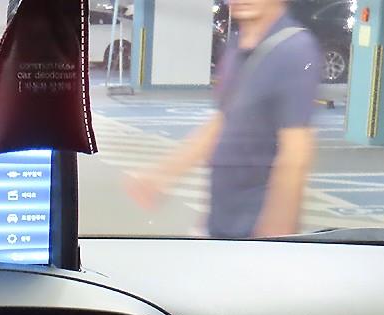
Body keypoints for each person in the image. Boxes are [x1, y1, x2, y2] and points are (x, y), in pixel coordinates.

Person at [128, 0, 322, 238]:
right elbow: (222, 121)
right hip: (220, 221)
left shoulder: (294, 49)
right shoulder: (235, 46)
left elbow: (296, 152)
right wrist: (164, 173)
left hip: (256, 227)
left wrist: (277, 232)